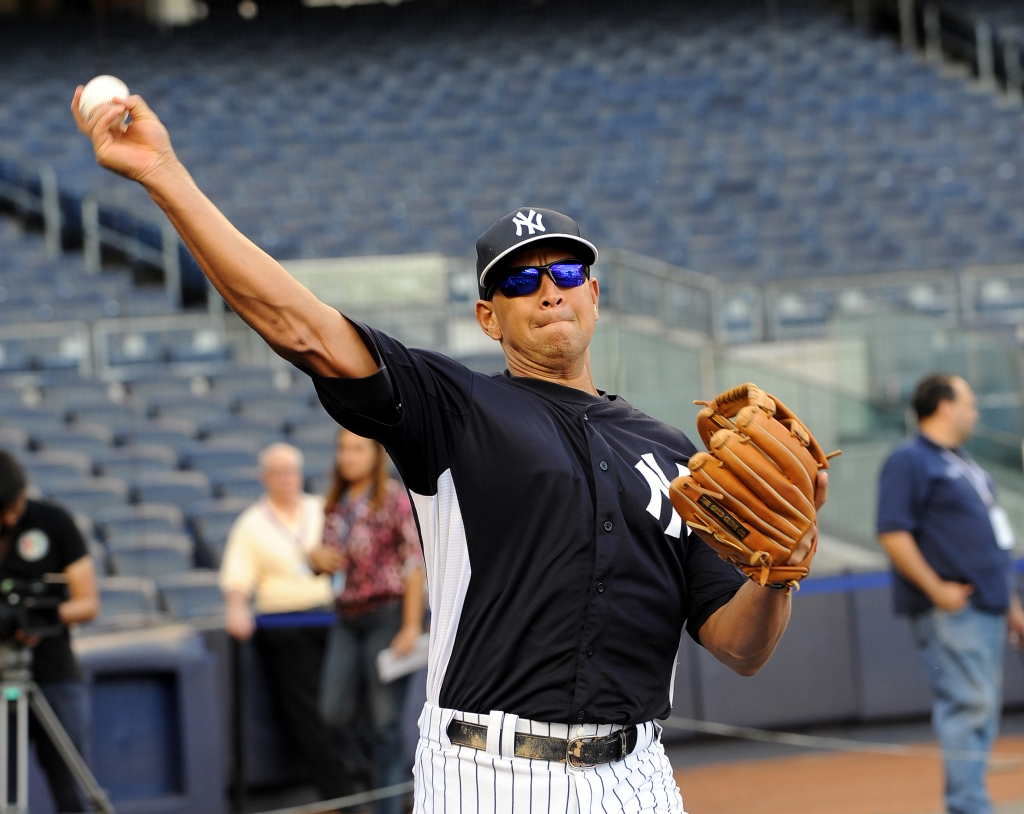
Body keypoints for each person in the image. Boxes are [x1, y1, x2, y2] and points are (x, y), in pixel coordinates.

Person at [74, 90, 825, 814]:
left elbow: (740, 647)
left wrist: (779, 573)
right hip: (490, 774)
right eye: (520, 281)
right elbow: (297, 325)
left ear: (595, 295)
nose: (548, 291)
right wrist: (163, 176)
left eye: (565, 273)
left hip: (640, 775)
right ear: (488, 317)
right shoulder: (452, 407)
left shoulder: (672, 457)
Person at [877, 374, 1024, 814]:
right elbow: (893, 532)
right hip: (954, 610)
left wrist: (1012, 606)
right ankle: (968, 806)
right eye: (969, 403)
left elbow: (993, 544)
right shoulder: (910, 459)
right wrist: (937, 588)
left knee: (980, 709)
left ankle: (970, 801)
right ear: (943, 406)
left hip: (988, 608)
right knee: (969, 706)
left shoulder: (966, 464)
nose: (975, 412)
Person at [219, 442, 351, 802]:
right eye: (277, 472)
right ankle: (341, 796)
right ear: (265, 478)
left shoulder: (321, 508)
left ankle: (361, 787)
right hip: (285, 625)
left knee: (348, 706)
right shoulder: (251, 523)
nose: (285, 479)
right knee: (311, 712)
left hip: (334, 616)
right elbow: (237, 577)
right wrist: (236, 606)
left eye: (290, 471)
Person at [310, 429, 425, 814]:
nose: (348, 456)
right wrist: (316, 560)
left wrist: (410, 625)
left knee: (385, 723)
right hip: (346, 616)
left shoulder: (393, 499)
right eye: (342, 448)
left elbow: (413, 564)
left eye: (357, 449)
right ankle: (370, 787)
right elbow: (328, 559)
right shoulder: (336, 503)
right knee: (331, 713)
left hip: (387, 616)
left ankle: (390, 805)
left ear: (375, 455)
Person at [0, 450, 99, 813]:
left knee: (71, 789)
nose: (9, 518)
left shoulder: (53, 522)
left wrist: (39, 617)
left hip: (54, 675)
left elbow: (88, 603)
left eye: (13, 508)